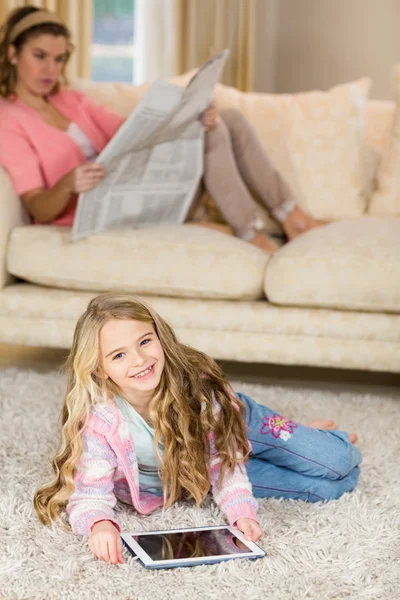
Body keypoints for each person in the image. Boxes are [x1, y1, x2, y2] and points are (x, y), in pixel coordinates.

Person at [34, 293, 362, 565]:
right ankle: (295, 438)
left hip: (236, 424)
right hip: (197, 469)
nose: (139, 359)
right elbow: (89, 490)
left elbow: (224, 458)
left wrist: (240, 507)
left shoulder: (200, 394)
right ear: (100, 370)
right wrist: (100, 524)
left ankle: (303, 435)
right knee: (329, 489)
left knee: (336, 460)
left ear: (159, 337)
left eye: (145, 341)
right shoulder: (100, 419)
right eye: (119, 355)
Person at [0, 5, 319, 254]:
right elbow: (36, 204)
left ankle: (292, 215)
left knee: (227, 118)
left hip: (141, 191)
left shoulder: (69, 99)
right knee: (214, 133)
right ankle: (249, 233)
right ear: (13, 54)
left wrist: (192, 115)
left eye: (58, 59)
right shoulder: (8, 118)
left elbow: (131, 130)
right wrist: (67, 184)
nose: (50, 69)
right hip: (99, 215)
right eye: (39, 56)